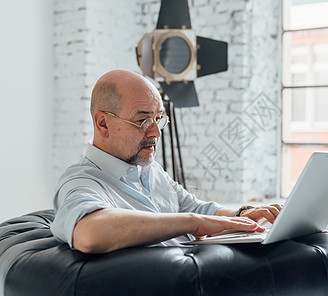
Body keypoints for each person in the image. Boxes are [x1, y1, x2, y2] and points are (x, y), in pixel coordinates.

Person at [51, 69, 282, 254]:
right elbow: (90, 233)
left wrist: (241, 215)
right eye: (142, 121)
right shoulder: (81, 182)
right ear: (103, 124)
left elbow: (193, 207)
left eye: (159, 118)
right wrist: (192, 223)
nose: (156, 133)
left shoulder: (148, 169)